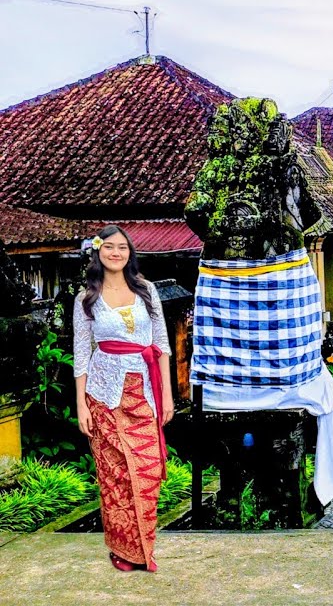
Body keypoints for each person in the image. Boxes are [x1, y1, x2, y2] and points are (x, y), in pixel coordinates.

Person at [73, 225, 173, 572]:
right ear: (98, 252)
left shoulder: (147, 290)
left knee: (146, 473)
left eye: (122, 248)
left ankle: (145, 546)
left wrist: (168, 396)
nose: (116, 253)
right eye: (109, 247)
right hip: (104, 394)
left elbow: (161, 344)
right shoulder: (86, 298)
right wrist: (82, 404)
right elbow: (81, 353)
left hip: (144, 392)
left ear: (130, 253)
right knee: (115, 476)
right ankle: (124, 551)